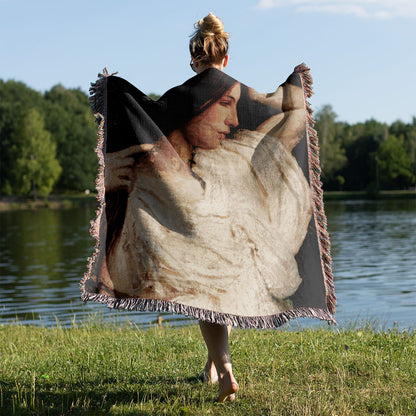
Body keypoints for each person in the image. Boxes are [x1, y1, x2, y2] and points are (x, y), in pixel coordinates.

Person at [85, 12, 316, 404]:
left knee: (207, 292)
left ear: (194, 59)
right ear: (225, 58)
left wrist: (113, 89)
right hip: (215, 208)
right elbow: (290, 112)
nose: (233, 117)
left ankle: (219, 368)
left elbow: (143, 116)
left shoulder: (180, 97)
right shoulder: (241, 95)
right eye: (225, 106)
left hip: (198, 212)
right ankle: (219, 368)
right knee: (209, 291)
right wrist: (282, 85)